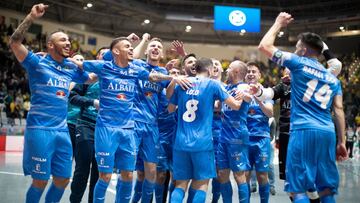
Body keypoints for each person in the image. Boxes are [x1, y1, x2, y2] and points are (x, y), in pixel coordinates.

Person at [74, 36, 189, 203]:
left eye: (159, 46)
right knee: (125, 172)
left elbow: (169, 94)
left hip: (151, 125)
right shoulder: (135, 65)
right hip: (131, 122)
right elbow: (113, 57)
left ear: (163, 53)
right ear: (146, 50)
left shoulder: (162, 72)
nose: (156, 48)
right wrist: (141, 40)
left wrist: (174, 75)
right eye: (152, 46)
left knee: (151, 172)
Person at [258, 12, 348, 203]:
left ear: (305, 50)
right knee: (325, 189)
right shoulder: (332, 77)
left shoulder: (297, 64)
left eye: (298, 46)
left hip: (302, 130)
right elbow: (339, 110)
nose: (296, 49)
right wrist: (342, 141)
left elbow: (264, 46)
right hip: (327, 132)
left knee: (297, 190)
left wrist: (278, 24)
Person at [9, 4, 93, 203]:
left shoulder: (70, 68)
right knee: (40, 180)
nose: (68, 43)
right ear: (50, 45)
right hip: (40, 129)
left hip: (62, 131)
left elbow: (90, 78)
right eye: (62, 39)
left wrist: (113, 66)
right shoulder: (37, 63)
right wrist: (31, 17)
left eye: (68, 40)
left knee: (63, 179)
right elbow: (14, 42)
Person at [168, 58, 244, 203]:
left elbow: (170, 109)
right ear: (210, 70)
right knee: (202, 183)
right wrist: (242, 96)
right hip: (202, 143)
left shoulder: (182, 84)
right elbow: (235, 106)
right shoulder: (213, 84)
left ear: (195, 69)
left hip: (180, 142)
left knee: (180, 185)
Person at [69, 47, 108, 203]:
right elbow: (72, 97)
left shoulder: (115, 77)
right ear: (97, 58)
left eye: (109, 54)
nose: (106, 56)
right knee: (82, 169)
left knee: (99, 173)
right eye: (103, 54)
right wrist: (92, 102)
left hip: (105, 130)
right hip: (85, 125)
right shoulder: (88, 78)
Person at [216, 60, 252, 203]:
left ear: (236, 71)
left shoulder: (244, 86)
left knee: (239, 175)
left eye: (229, 68)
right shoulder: (228, 87)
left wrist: (245, 94)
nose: (226, 70)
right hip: (223, 135)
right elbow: (219, 106)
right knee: (222, 173)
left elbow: (249, 96)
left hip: (237, 136)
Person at [245, 62, 274, 203]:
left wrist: (259, 98)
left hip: (261, 138)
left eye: (253, 71)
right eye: (248, 71)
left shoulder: (267, 92)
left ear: (259, 75)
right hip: (244, 139)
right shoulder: (240, 91)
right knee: (244, 175)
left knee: (262, 175)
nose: (250, 74)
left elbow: (270, 113)